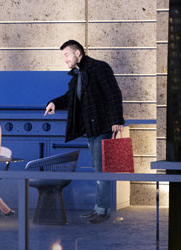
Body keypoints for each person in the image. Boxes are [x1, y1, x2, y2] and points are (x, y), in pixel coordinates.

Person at [42, 39, 128, 223]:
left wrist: (116, 120)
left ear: (77, 53)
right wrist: (54, 103)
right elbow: (70, 97)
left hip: (103, 126)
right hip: (92, 128)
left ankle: (103, 211)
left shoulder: (99, 68)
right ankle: (99, 208)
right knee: (98, 169)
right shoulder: (78, 75)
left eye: (66, 55)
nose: (65, 59)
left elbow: (113, 93)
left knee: (101, 169)